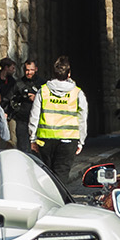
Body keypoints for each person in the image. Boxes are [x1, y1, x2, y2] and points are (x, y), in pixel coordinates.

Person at [29, 55, 87, 184]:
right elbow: (82, 118)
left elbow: (35, 116)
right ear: (69, 74)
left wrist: (33, 138)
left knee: (47, 174)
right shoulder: (77, 93)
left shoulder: (43, 91)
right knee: (61, 174)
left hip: (45, 141)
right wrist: (81, 141)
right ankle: (60, 201)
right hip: (68, 140)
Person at [3, 59, 41, 153]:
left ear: (36, 69)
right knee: (23, 149)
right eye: (27, 70)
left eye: (31, 70)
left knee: (37, 150)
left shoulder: (42, 84)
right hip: (22, 119)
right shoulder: (19, 84)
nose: (29, 72)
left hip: (38, 121)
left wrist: (36, 98)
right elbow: (8, 98)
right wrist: (5, 112)